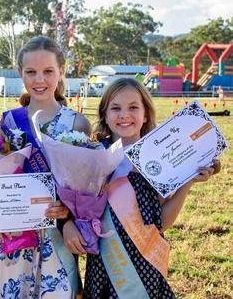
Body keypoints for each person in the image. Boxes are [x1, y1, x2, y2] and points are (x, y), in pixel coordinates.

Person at [82, 77, 221, 298]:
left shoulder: (158, 160)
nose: (124, 115)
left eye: (133, 107)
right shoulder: (93, 158)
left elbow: (162, 223)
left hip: (145, 264)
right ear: (105, 116)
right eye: (115, 108)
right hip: (106, 266)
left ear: (145, 114)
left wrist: (186, 182)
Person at [0, 36, 90, 298]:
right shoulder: (9, 121)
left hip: (56, 236)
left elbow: (88, 191)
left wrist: (68, 214)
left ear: (61, 72)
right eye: (31, 72)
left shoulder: (76, 124)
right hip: (14, 234)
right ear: (20, 73)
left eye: (48, 71)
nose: (39, 80)